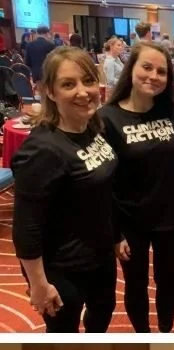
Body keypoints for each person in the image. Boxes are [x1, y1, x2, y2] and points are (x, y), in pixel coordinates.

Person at [12, 47, 119, 333]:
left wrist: (115, 237)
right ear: (49, 91)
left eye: (88, 80)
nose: (83, 92)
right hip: (61, 268)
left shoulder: (92, 125)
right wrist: (38, 284)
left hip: (99, 255)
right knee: (63, 334)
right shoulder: (42, 150)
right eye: (68, 84)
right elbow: (26, 228)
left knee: (102, 315)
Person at [99, 41, 174, 333]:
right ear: (131, 69)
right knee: (135, 283)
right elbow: (104, 182)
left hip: (171, 217)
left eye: (161, 71)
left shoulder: (172, 112)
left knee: (167, 279)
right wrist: (114, 233)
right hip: (130, 221)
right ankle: (143, 336)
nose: (154, 76)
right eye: (146, 67)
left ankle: (165, 332)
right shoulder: (108, 118)